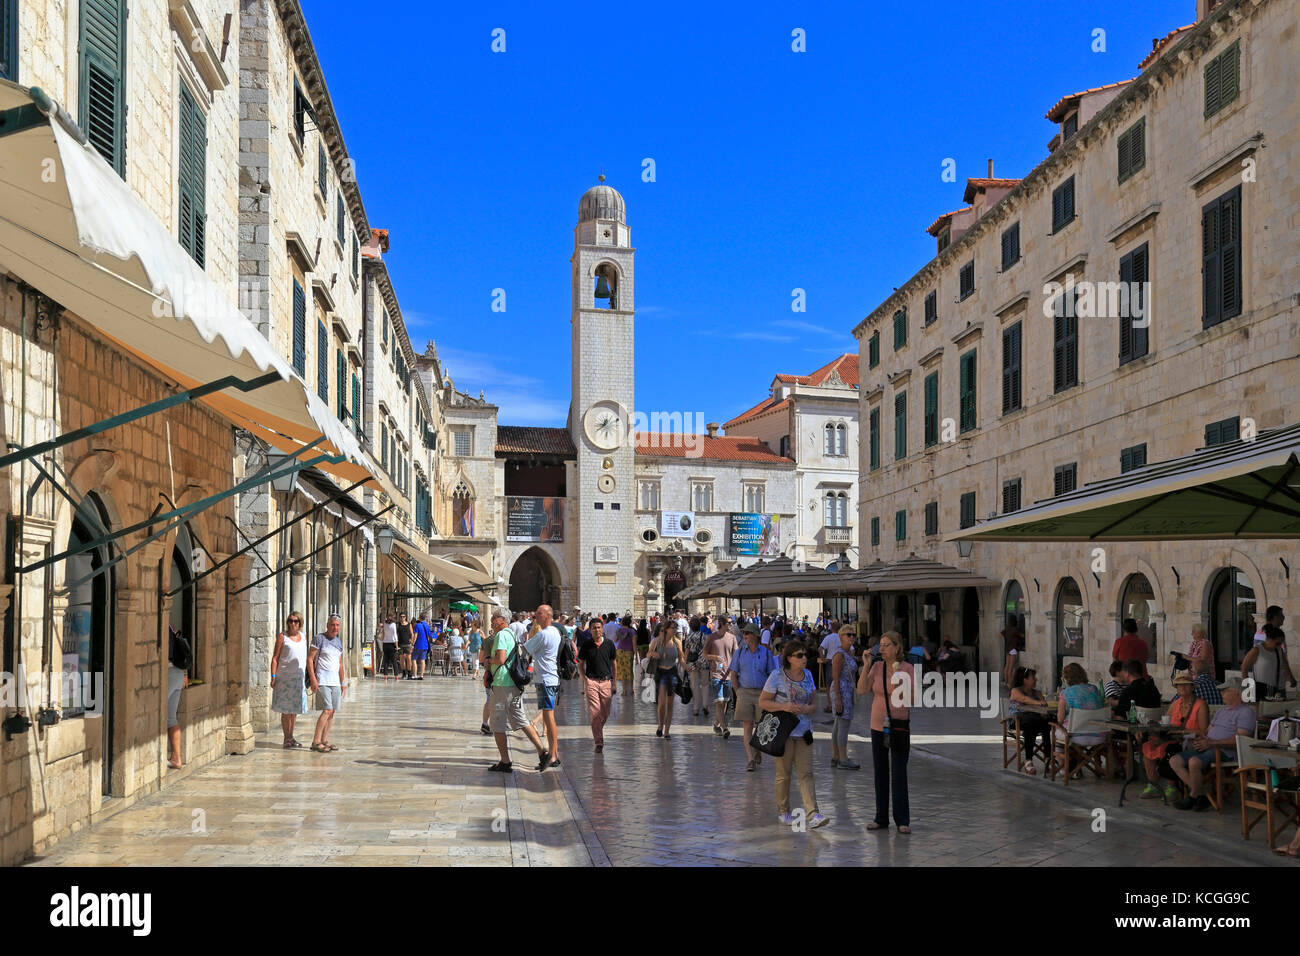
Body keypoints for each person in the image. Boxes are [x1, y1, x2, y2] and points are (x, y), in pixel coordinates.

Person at [758, 640, 828, 829]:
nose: (804, 658)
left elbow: (814, 705)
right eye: (799, 655)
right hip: (783, 732)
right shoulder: (776, 676)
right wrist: (784, 707)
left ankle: (813, 814)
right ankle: (783, 810)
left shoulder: (808, 676)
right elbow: (763, 701)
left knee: (806, 773)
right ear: (789, 658)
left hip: (804, 732)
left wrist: (806, 708)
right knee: (784, 774)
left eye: (805, 654)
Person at [1170, 677, 1255, 811]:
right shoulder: (1221, 711)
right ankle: (1202, 794)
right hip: (1210, 746)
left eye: (1225, 691)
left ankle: (1193, 797)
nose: (1221, 694)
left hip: (1227, 752)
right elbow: (1207, 731)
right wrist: (1201, 739)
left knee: (1194, 762)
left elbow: (1241, 740)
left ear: (1237, 693)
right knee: (1174, 760)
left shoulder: (1246, 712)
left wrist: (1212, 743)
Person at [858, 631, 913, 832]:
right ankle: (881, 817)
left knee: (899, 772)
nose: (881, 649)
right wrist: (865, 666)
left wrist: (901, 683)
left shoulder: (908, 669)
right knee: (880, 772)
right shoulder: (877, 667)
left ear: (897, 647)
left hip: (899, 725)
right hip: (878, 725)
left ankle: (902, 820)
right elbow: (862, 690)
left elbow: (914, 699)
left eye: (886, 645)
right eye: (880, 645)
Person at [485, 610, 548, 772]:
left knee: (497, 724)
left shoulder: (500, 636)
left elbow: (500, 658)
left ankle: (505, 762)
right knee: (522, 721)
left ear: (501, 620)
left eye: (493, 619)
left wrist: (487, 661)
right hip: (513, 685)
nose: (491, 622)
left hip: (503, 684)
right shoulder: (512, 635)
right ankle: (542, 752)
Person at [1138, 673, 1208, 800]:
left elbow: (1203, 731)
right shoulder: (1175, 704)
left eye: (1186, 685)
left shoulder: (1200, 705)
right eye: (1179, 685)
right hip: (1172, 738)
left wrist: (1181, 733)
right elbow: (1164, 722)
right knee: (1148, 745)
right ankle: (1153, 785)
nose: (1182, 688)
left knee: (1168, 748)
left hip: (1188, 740)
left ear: (1192, 687)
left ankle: (1172, 787)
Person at [729, 622, 778, 771]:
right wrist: (738, 692)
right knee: (747, 725)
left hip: (762, 693)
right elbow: (733, 674)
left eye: (748, 633)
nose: (745, 636)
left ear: (756, 635)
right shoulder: (739, 652)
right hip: (744, 691)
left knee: (761, 726)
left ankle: (757, 750)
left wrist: (772, 694)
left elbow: (772, 675)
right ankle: (750, 759)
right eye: (744, 633)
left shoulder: (766, 653)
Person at [524, 604, 562, 771]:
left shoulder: (544, 634)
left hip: (545, 679)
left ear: (547, 616)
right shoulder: (555, 632)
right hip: (551, 678)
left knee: (549, 717)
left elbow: (525, 649)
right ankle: (555, 753)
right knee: (549, 716)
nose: (535, 617)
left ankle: (553, 755)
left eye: (538, 614)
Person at [307, 614, 346, 753]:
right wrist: (313, 679)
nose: (335, 627)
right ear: (327, 625)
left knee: (332, 712)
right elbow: (310, 659)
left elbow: (340, 664)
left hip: (335, 681)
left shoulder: (338, 642)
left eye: (337, 625)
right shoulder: (319, 639)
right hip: (322, 679)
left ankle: (324, 740)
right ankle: (315, 741)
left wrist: (343, 682)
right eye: (332, 625)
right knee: (326, 710)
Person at [578, 618, 618, 752]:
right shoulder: (586, 645)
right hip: (592, 682)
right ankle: (599, 742)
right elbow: (580, 664)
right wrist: (585, 679)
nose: (597, 630)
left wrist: (614, 682)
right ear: (590, 630)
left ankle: (597, 729)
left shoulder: (609, 644)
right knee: (595, 713)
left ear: (603, 629)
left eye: (599, 627)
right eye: (594, 628)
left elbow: (614, 663)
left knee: (605, 713)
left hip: (606, 681)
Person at [270, 611, 308, 749]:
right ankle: (286, 738)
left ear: (300, 623)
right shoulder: (283, 637)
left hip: (298, 678)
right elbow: (275, 658)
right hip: (284, 678)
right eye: (291, 621)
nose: (293, 623)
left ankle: (291, 737)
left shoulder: (303, 637)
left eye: (296, 621)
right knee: (286, 711)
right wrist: (273, 676)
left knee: (294, 711)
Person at [1055, 662, 1107, 757]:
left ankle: (1063, 767)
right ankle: (1092, 765)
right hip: (1099, 736)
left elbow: (1060, 720)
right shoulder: (1094, 689)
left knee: (1054, 732)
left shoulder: (1065, 693)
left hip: (1075, 737)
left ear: (1067, 678)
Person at [646, 621, 686, 738]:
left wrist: (687, 668)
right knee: (662, 703)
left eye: (675, 628)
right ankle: (660, 725)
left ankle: (667, 730)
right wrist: (653, 653)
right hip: (661, 673)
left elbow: (681, 659)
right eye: (672, 628)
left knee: (670, 703)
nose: (674, 630)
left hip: (672, 673)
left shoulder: (677, 642)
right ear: (666, 629)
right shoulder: (657, 641)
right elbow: (648, 654)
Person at [1008, 667, 1051, 775]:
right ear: (1025, 679)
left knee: (1048, 723)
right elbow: (1024, 699)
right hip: (1017, 721)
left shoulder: (1037, 693)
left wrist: (1043, 711)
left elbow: (1044, 707)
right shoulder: (1015, 690)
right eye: (1033, 678)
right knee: (1030, 724)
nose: (1036, 680)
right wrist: (1039, 703)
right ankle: (1028, 760)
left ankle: (1048, 758)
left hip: (1035, 720)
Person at [828, 625, 860, 770]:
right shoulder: (839, 655)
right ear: (841, 636)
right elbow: (835, 678)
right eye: (849, 635)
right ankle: (843, 758)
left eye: (853, 635)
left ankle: (835, 756)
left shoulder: (848, 653)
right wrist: (838, 698)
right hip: (841, 690)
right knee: (843, 724)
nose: (852, 637)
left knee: (838, 723)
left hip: (846, 690)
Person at [703, 622, 739, 738]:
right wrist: (715, 657)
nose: (730, 624)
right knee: (719, 702)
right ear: (722, 624)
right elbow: (704, 654)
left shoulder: (732, 637)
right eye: (728, 623)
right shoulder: (711, 637)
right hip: (716, 674)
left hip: (728, 674)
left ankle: (716, 725)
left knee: (724, 703)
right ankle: (725, 729)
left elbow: (736, 654)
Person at [1243, 625, 1294, 700]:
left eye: (1281, 643)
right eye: (1277, 643)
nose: (1279, 646)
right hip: (1262, 691)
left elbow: (1285, 665)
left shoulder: (1279, 650)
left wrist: (1291, 679)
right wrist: (1248, 687)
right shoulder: (1257, 650)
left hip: (1279, 690)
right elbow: (1244, 668)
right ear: (1268, 639)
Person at [166, 625, 189, 769]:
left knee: (157, 713)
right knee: (170, 717)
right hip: (179, 674)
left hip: (168, 673)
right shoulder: (173, 629)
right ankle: (176, 758)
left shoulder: (163, 628)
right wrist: (185, 675)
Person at [683, 617, 709, 716]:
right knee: (705, 684)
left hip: (692, 664)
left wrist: (684, 664)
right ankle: (705, 705)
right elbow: (707, 650)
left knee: (695, 686)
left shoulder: (689, 637)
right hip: (704, 663)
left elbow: (687, 652)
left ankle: (695, 708)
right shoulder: (704, 636)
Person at [379, 613, 398, 681]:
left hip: (385, 643)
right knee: (394, 661)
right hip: (392, 644)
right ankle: (396, 676)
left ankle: (386, 676)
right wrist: (397, 646)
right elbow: (395, 636)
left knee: (386, 661)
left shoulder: (385, 624)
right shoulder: (393, 625)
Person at [396, 612, 415, 680]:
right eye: (401, 616)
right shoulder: (398, 624)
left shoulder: (409, 625)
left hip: (407, 643)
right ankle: (404, 673)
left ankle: (409, 673)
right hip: (400, 644)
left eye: (403, 616)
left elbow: (412, 634)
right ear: (399, 617)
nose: (402, 618)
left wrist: (412, 643)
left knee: (409, 658)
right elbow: (396, 634)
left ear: (405, 617)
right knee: (401, 659)